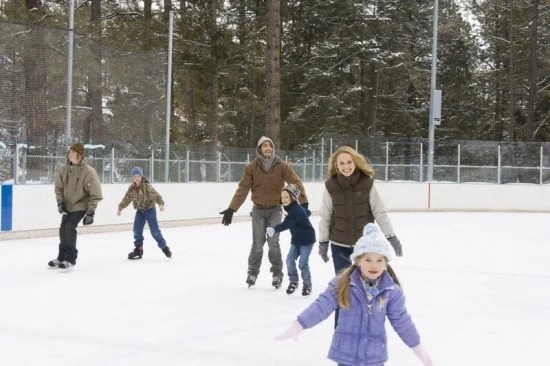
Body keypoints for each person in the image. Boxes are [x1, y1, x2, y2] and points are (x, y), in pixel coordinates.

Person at [275, 223, 434, 366]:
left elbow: (402, 320)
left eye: (380, 260)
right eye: (368, 259)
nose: (374, 265)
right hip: (346, 355)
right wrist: (299, 324)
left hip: (374, 357)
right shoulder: (342, 284)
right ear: (357, 261)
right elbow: (321, 306)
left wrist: (416, 346)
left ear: (386, 263)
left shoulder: (391, 291)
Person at [220, 136, 310, 289]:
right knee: (257, 244)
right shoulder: (251, 167)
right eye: (264, 146)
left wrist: (304, 203)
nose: (268, 148)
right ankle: (252, 273)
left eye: (270, 145)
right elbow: (243, 189)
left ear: (273, 148)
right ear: (259, 149)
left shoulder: (282, 166)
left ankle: (277, 274)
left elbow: (296, 183)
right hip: (258, 211)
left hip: (275, 210)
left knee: (273, 243)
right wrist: (231, 209)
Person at [318, 145, 403, 276]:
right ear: (336, 166)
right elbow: (325, 216)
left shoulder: (367, 183)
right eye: (341, 163)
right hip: (339, 244)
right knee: (343, 284)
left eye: (349, 162)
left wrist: (391, 236)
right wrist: (323, 242)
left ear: (355, 162)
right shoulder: (331, 186)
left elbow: (379, 211)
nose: (346, 166)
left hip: (365, 244)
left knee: (367, 281)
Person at [48, 142, 103, 272]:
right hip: (68, 205)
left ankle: (70, 258)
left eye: (74, 152)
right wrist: (60, 202)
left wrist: (90, 212)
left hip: (81, 204)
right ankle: (61, 257)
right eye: (70, 152)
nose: (70, 154)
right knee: (63, 228)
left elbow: (96, 194)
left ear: (79, 155)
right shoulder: (64, 169)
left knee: (70, 226)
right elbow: (59, 187)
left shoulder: (89, 171)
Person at [266, 183, 316, 296]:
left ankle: (307, 285)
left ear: (293, 198)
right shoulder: (292, 208)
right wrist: (307, 212)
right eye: (282, 197)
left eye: (286, 197)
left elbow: (287, 223)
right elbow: (305, 212)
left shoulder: (295, 210)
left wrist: (274, 229)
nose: (283, 199)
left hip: (307, 240)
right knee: (289, 260)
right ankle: (294, 281)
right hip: (296, 240)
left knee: (303, 263)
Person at [117, 167, 171, 260]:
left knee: (154, 231)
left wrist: (160, 204)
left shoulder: (147, 186)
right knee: (136, 230)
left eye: (139, 176)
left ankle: (164, 247)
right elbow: (126, 199)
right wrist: (120, 208)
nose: (137, 178)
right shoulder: (131, 188)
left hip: (150, 210)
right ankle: (139, 249)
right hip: (140, 211)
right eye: (135, 176)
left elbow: (156, 195)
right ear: (133, 178)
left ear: (141, 177)